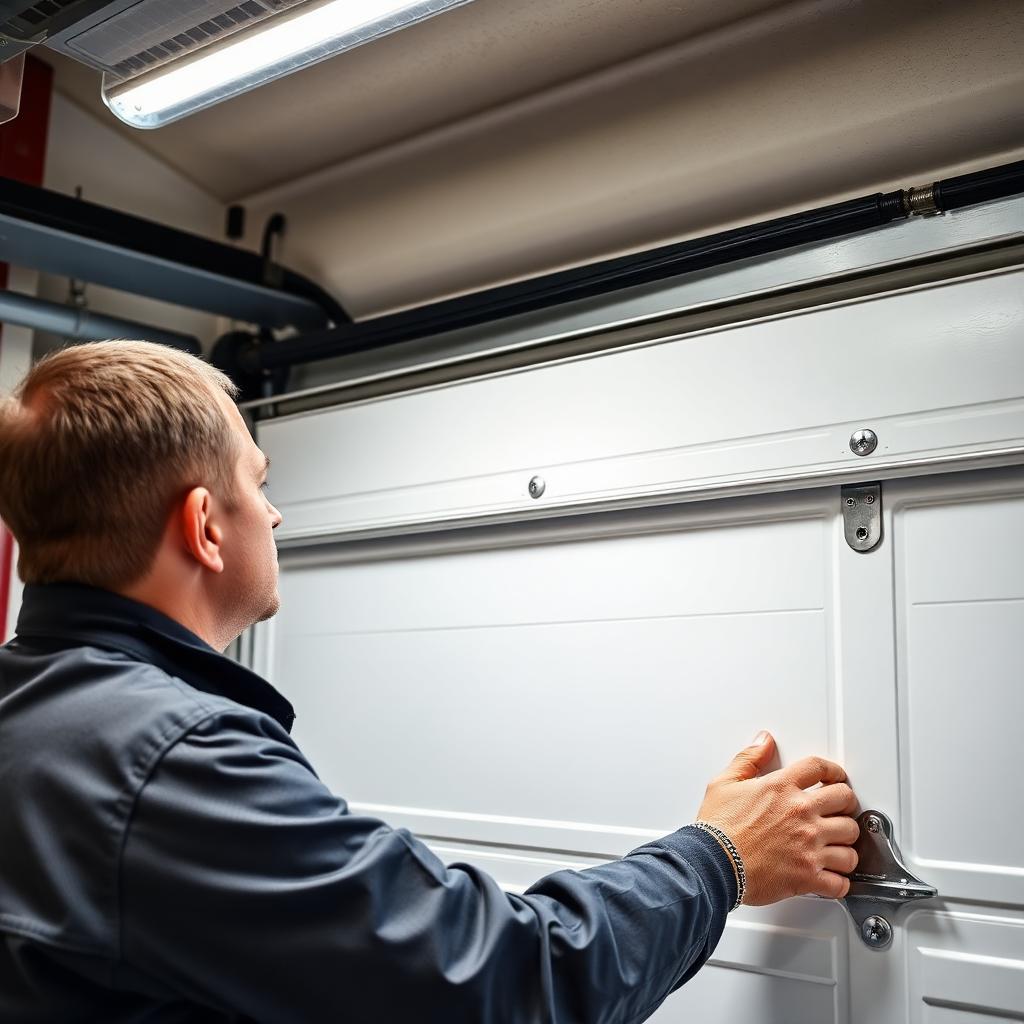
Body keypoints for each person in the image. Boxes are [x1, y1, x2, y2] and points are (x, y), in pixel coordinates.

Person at [0, 340, 860, 1023]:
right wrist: (723, 857)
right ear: (203, 527)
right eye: (258, 483)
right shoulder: (170, 761)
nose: (274, 511)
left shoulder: (34, 711)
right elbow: (501, 982)